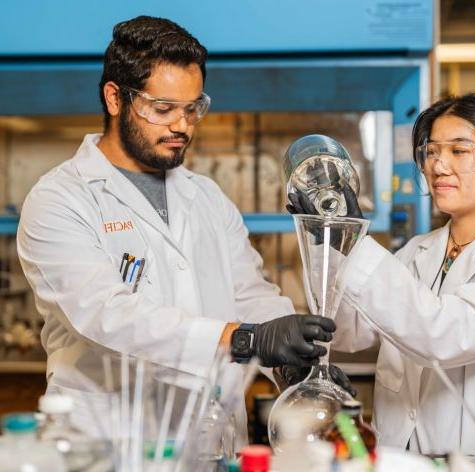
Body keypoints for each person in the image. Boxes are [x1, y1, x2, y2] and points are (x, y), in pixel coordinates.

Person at [17, 16, 344, 445]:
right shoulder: (61, 199)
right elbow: (105, 315)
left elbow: (248, 293)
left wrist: (290, 362)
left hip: (210, 436)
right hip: (113, 442)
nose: (182, 126)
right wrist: (244, 340)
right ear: (115, 98)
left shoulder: (205, 196)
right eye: (163, 108)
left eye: (193, 109)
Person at [288, 92, 475, 459]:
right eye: (432, 152)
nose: (438, 166)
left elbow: (447, 335)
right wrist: (329, 242)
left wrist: (356, 243)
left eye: (459, 151)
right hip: (400, 457)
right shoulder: (418, 250)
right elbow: (349, 332)